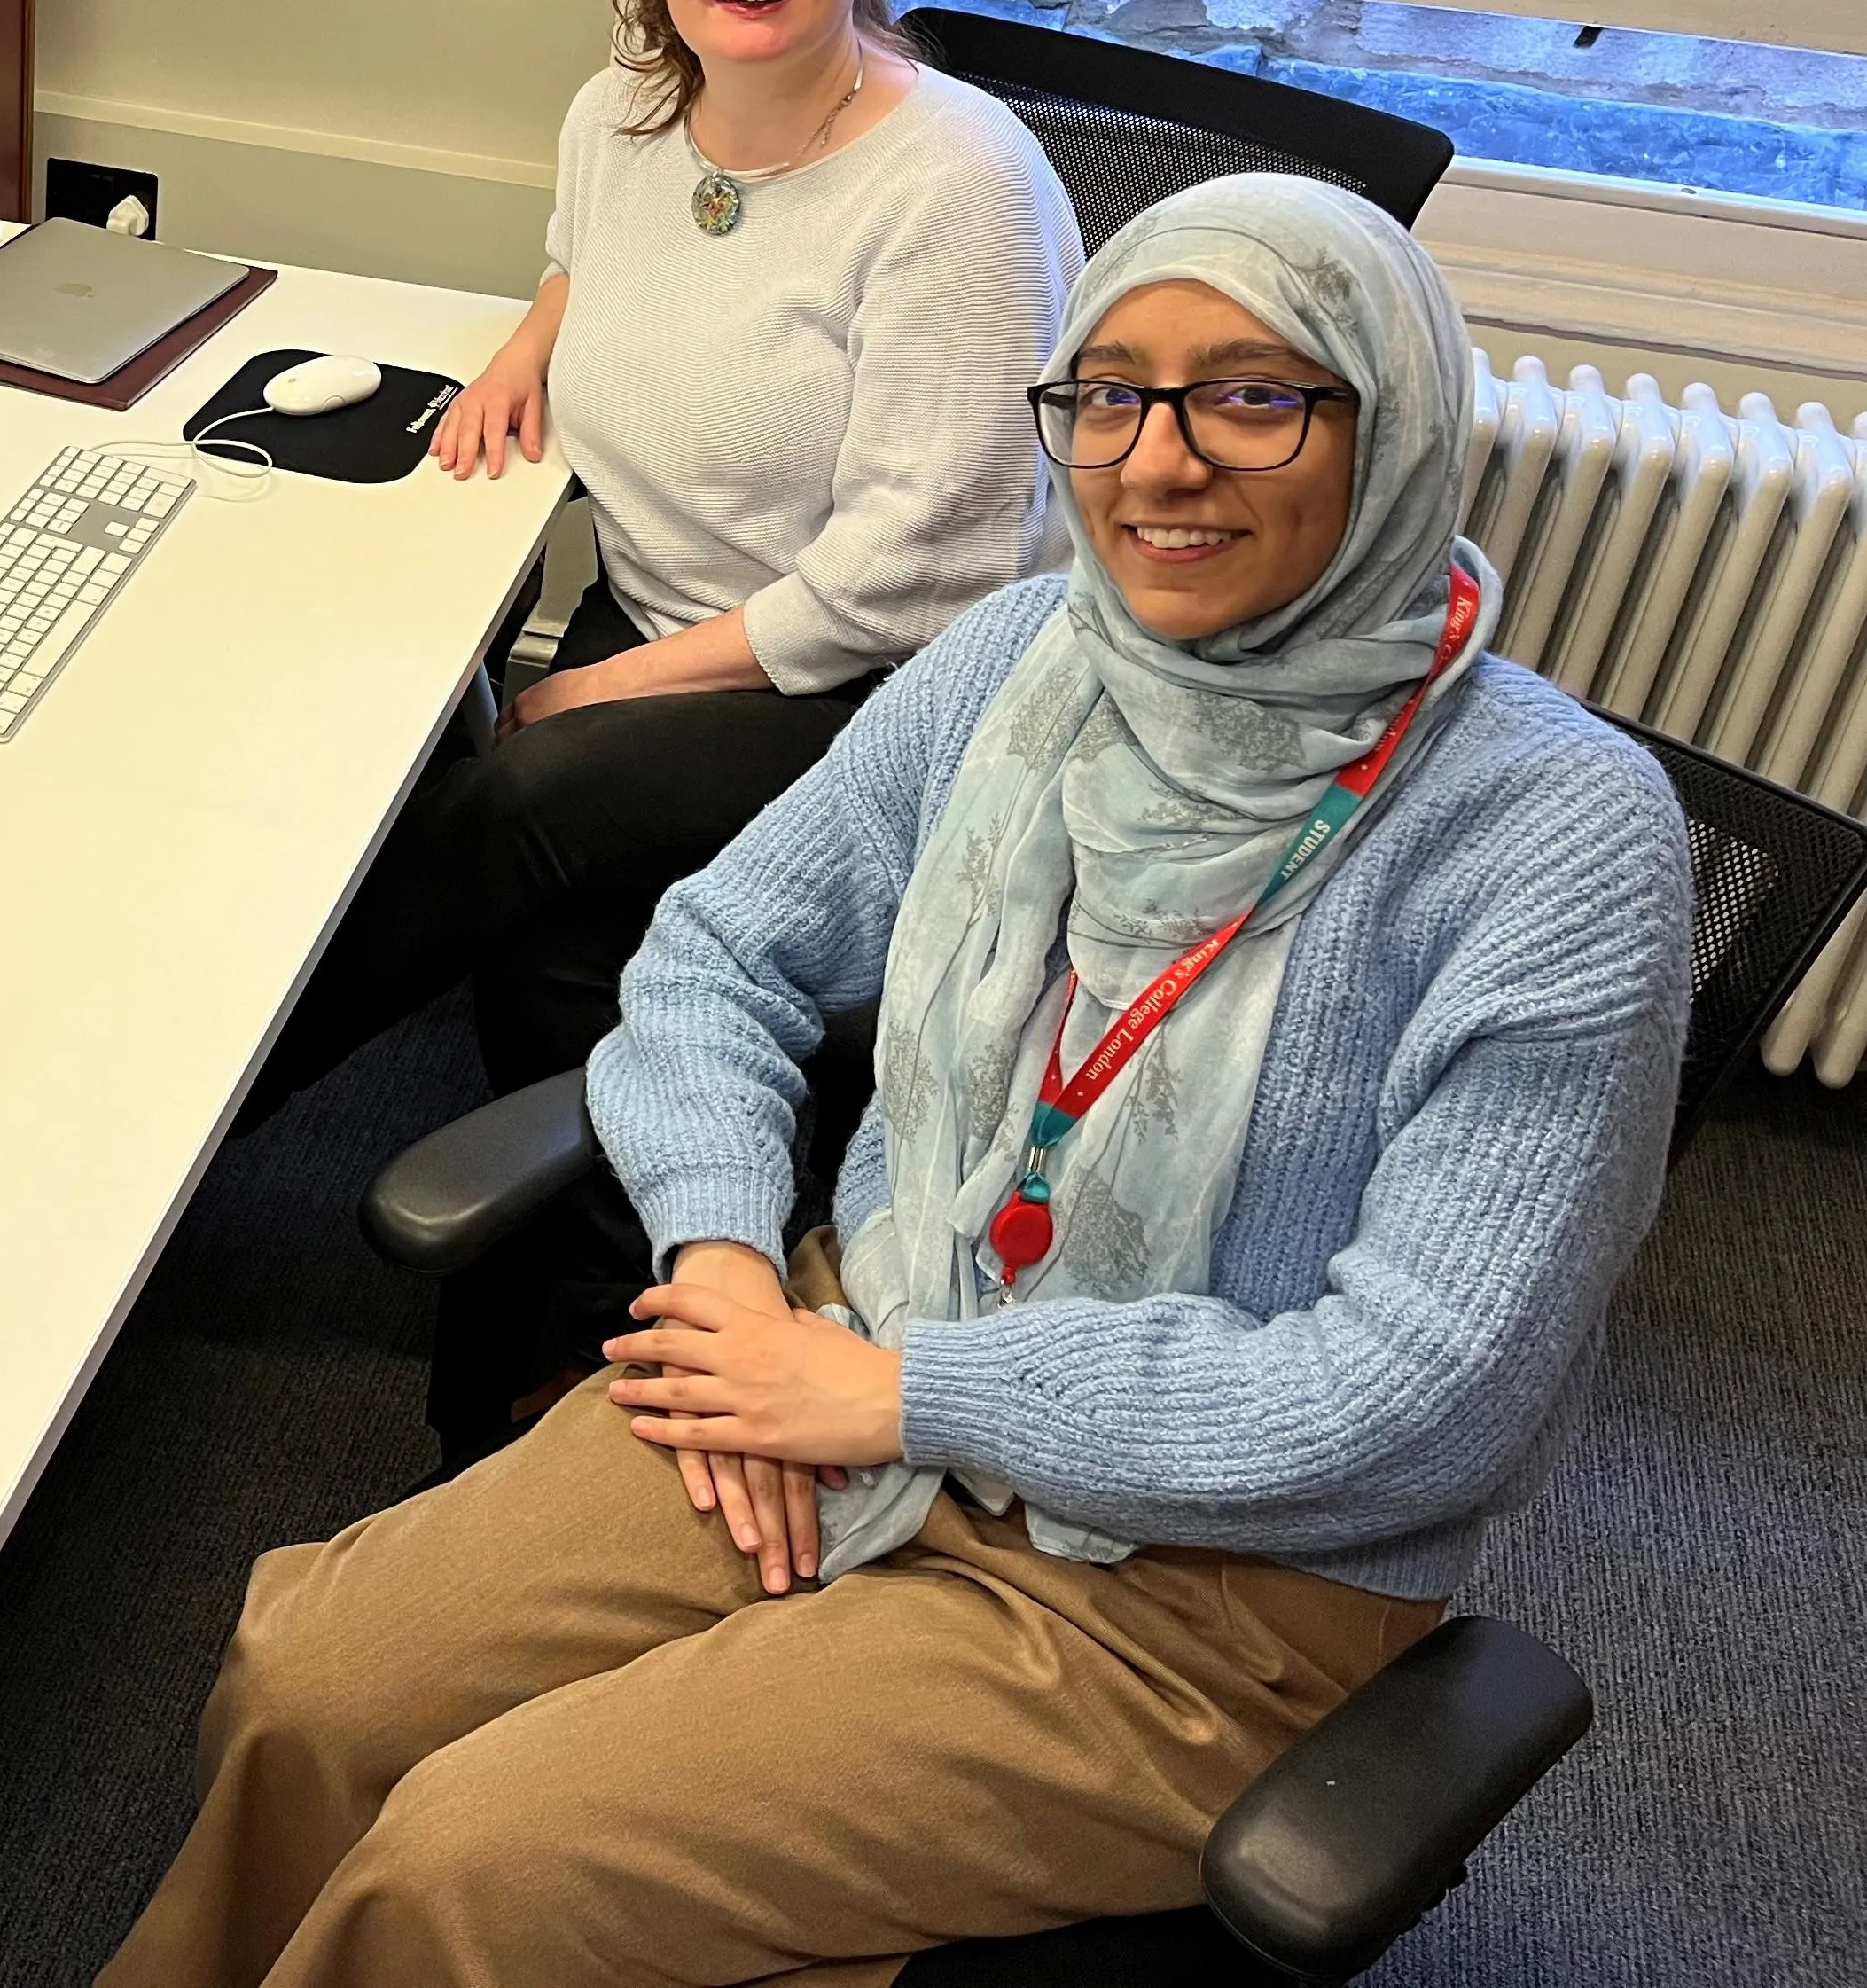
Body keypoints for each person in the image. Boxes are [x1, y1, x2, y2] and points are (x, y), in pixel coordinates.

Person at [104, 175, 1692, 1988]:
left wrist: (901, 1396)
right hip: (841, 1342)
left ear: (1390, 420)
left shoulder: (1555, 842)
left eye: (1254, 394)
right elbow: (718, 952)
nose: (1158, 462)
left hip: (1191, 1587)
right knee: (320, 1684)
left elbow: (1428, 1397)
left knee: (479, 1868)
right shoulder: (1024, 662)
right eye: (1111, 394)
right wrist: (718, 1262)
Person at [256, 0, 1077, 1114]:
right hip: (669, 614)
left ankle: (185, 1121)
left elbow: (900, 590)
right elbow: (591, 255)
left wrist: (589, 694)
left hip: (870, 696)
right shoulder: (623, 116)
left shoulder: (960, 192)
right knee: (548, 949)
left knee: (511, 805)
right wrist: (532, 340)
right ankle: (577, 1272)